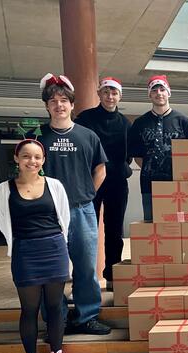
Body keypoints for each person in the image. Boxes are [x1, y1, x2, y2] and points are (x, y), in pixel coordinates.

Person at [36, 73, 110, 336]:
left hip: (81, 210)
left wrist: (87, 194)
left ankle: (87, 316)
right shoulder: (37, 136)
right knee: (51, 270)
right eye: (53, 101)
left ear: (72, 104)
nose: (59, 105)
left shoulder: (87, 136)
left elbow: (100, 170)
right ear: (47, 106)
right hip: (46, 214)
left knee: (86, 266)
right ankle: (57, 320)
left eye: (64, 100)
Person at [0, 139, 70, 353]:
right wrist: (16, 246)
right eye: (26, 156)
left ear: (43, 160)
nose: (32, 161)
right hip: (25, 251)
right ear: (16, 158)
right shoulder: (5, 189)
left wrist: (61, 245)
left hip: (54, 248)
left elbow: (64, 217)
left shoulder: (54, 185)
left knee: (55, 306)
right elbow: (3, 222)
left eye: (37, 157)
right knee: (29, 308)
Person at [75, 77, 132, 291]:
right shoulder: (85, 119)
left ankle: (113, 277)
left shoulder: (125, 123)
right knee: (86, 232)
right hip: (89, 182)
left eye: (114, 93)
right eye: (106, 92)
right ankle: (84, 279)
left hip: (117, 182)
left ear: (120, 96)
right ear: (99, 94)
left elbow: (128, 156)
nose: (110, 96)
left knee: (115, 231)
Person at [128, 75, 188, 221]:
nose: (159, 93)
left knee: (178, 226)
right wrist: (152, 170)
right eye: (154, 90)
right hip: (149, 185)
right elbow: (137, 156)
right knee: (152, 224)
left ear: (168, 93)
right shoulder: (140, 123)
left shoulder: (184, 121)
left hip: (179, 184)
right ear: (149, 95)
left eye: (162, 89)